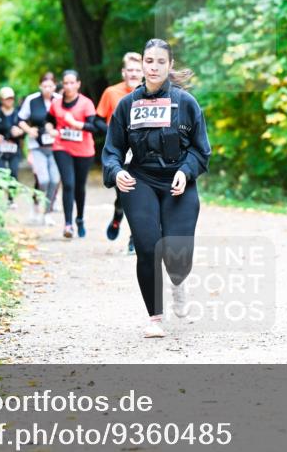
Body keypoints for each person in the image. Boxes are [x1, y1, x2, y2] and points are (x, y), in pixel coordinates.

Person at [101, 39, 211, 338]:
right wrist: (117, 171)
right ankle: (154, 317)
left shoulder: (186, 103)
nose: (154, 67)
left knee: (178, 255)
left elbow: (202, 151)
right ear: (142, 64)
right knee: (148, 247)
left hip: (177, 181)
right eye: (149, 61)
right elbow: (111, 151)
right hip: (141, 181)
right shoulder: (127, 105)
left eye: (160, 61)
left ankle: (178, 282)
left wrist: (186, 172)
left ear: (170, 65)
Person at [95, 52, 144, 254]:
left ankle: (135, 239)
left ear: (143, 72)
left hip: (143, 154)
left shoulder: (151, 93)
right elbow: (96, 120)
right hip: (120, 154)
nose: (133, 74)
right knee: (125, 196)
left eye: (137, 70)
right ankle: (118, 215)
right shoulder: (111, 92)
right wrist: (114, 134)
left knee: (140, 196)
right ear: (123, 72)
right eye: (129, 70)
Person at [49, 70, 104, 238]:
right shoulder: (56, 104)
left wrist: (75, 124)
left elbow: (94, 127)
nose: (69, 86)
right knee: (68, 184)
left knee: (79, 187)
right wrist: (49, 129)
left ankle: (79, 218)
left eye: (72, 83)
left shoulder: (86, 103)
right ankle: (68, 225)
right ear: (62, 85)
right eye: (66, 83)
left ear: (78, 84)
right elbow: (47, 121)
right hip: (61, 147)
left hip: (84, 150)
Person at [18, 74, 60, 225]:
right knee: (43, 180)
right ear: (40, 86)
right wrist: (29, 130)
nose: (47, 89)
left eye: (50, 86)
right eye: (44, 86)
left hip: (55, 146)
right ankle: (36, 206)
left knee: (55, 180)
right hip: (37, 146)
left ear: (55, 86)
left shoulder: (59, 100)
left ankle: (47, 213)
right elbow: (20, 119)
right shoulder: (32, 100)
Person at [0, 86, 26, 204]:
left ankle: (11, 198)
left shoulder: (18, 114)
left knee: (14, 172)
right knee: (0, 171)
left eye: (11, 99)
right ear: (2, 100)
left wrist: (20, 133)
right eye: (7, 99)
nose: (9, 101)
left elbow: (24, 131)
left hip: (14, 148)